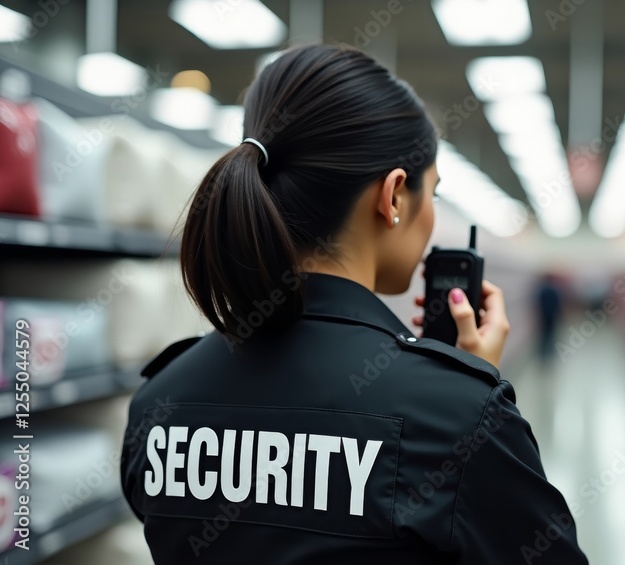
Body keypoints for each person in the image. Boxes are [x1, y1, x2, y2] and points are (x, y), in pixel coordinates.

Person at [119, 44, 588, 564]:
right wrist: (465, 397)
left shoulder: (157, 402)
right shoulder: (460, 419)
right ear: (392, 197)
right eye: (430, 192)